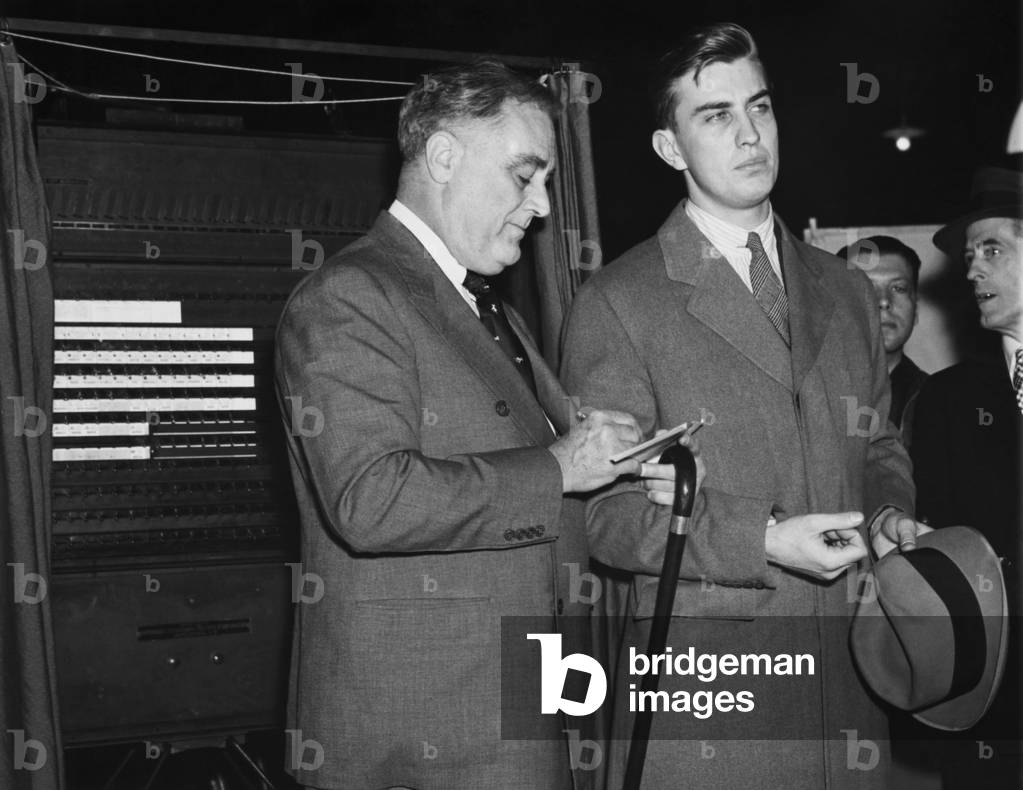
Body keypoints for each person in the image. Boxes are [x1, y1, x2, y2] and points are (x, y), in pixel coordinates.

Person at [561, 23, 926, 789]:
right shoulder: (619, 302)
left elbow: (879, 448)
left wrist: (888, 515)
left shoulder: (846, 291)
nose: (750, 133)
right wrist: (760, 538)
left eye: (758, 107)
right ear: (670, 148)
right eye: (716, 115)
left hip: (855, 687)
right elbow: (604, 518)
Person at [275, 61, 647, 790]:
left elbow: (536, 491)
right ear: (443, 157)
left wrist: (623, 466)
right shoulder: (350, 295)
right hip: (421, 735)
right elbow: (371, 499)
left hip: (513, 706)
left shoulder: (488, 310)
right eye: (523, 174)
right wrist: (560, 466)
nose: (540, 206)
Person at [911, 159, 1022, 786]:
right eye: (970, 253)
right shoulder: (948, 402)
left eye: (992, 249)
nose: (972, 268)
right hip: (992, 712)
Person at [837, 235, 929, 444]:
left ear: (916, 309)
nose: (885, 301)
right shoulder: (807, 397)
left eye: (899, 288)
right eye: (866, 287)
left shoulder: (940, 399)